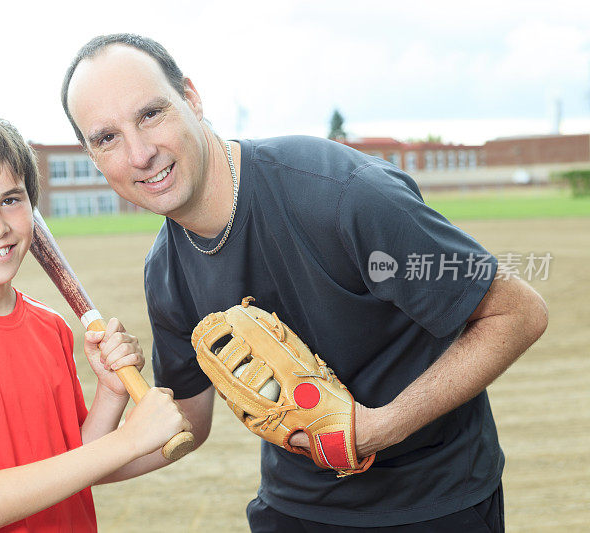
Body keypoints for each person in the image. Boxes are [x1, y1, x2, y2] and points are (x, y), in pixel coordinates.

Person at [60, 34, 549, 532]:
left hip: (436, 503)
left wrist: (377, 429)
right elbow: (185, 428)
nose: (139, 154)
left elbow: (517, 313)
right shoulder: (164, 271)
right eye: (106, 138)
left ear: (191, 97)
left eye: (150, 114)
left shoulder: (339, 194)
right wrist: (107, 403)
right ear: (92, 156)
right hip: (294, 509)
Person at [0, 104, 190, 533]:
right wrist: (130, 440)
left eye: (10, 200)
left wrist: (111, 393)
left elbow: (74, 459)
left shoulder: (50, 326)